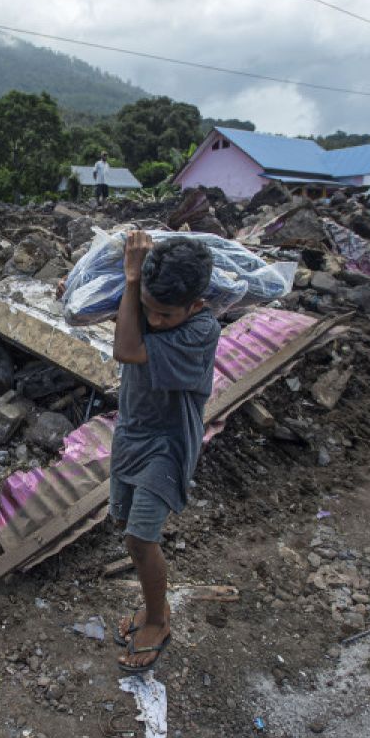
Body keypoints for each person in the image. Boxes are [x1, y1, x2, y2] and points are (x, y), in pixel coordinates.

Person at [110, 230, 219, 673]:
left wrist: (133, 281)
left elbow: (126, 347)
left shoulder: (201, 330)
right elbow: (123, 316)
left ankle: (159, 618)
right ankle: (151, 605)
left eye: (165, 314)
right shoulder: (156, 307)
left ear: (195, 305)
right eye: (149, 311)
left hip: (167, 444)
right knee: (125, 526)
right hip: (132, 433)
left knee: (140, 538)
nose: (154, 320)